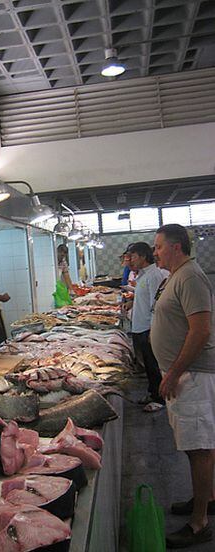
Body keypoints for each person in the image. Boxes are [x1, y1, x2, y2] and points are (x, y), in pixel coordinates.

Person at [150, 223, 215, 548]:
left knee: (199, 447)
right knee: (198, 445)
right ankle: (206, 499)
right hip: (184, 375)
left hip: (192, 377)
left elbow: (201, 330)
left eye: (159, 246)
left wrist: (173, 373)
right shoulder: (177, 276)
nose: (155, 252)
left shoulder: (189, 276)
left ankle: (199, 522)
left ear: (176, 246)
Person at [125, 242, 167, 412]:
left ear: (142, 256)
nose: (130, 260)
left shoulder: (154, 275)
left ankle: (160, 399)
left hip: (147, 328)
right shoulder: (142, 275)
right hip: (139, 326)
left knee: (153, 364)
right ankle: (152, 392)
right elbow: (143, 298)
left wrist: (153, 330)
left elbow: (156, 305)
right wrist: (131, 301)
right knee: (147, 364)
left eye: (133, 256)